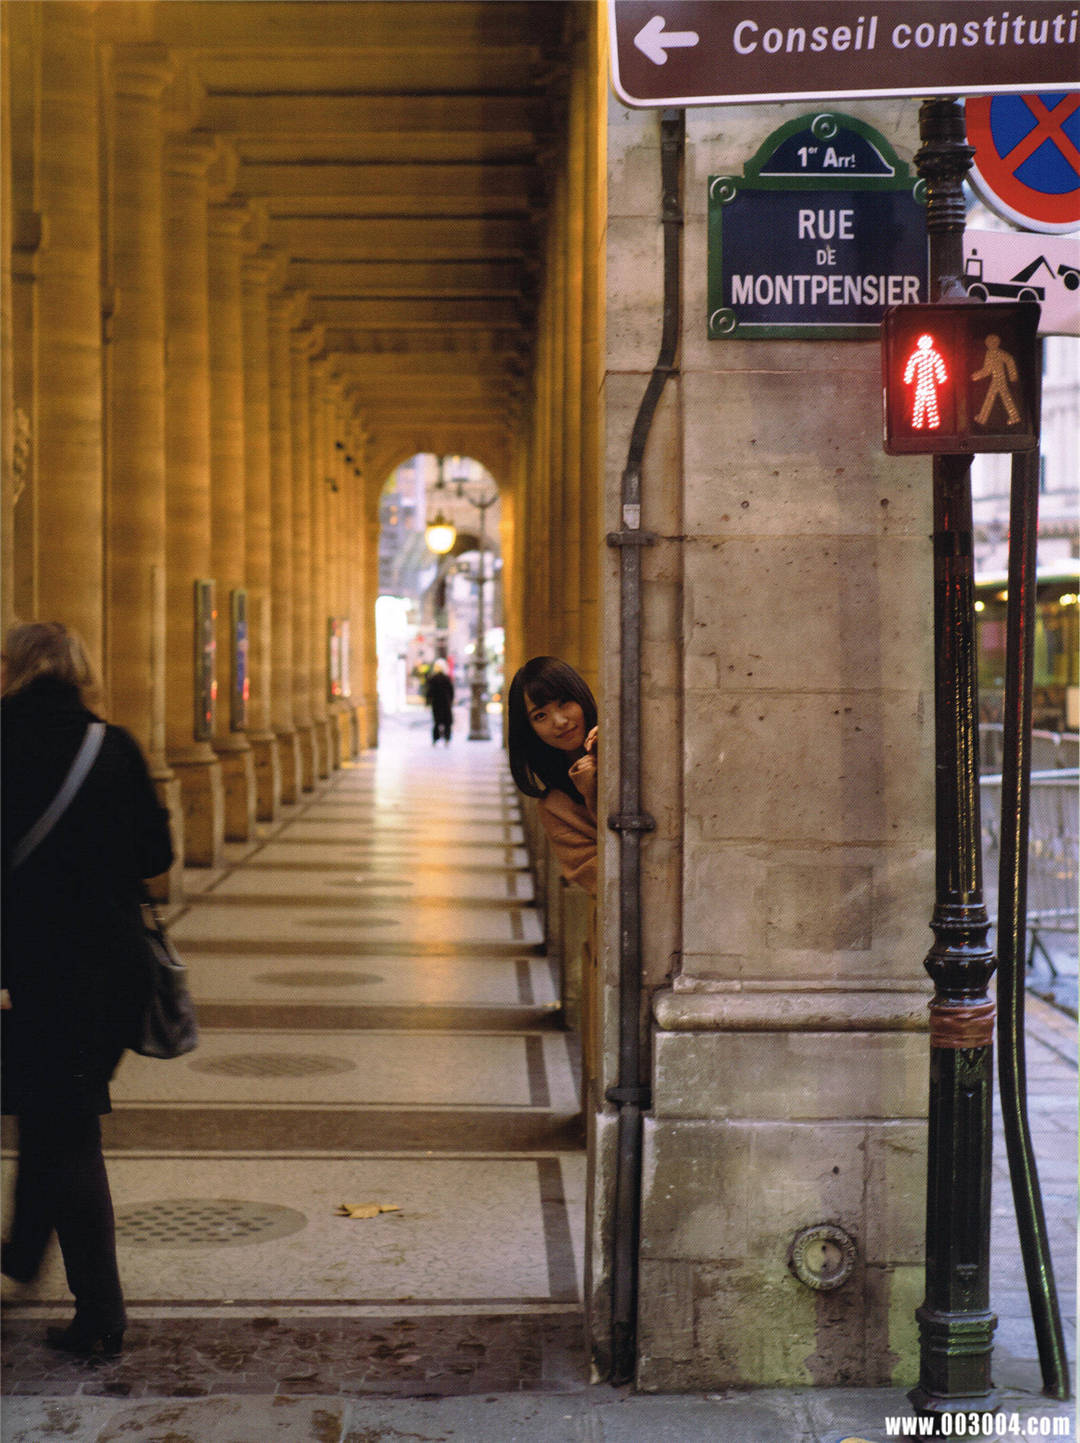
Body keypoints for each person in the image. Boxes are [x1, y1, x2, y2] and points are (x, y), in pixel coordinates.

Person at [1, 621, 174, 1358]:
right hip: (109, 974)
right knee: (59, 1117)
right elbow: (157, 855)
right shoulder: (114, 746)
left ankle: (98, 1310)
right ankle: (27, 1252)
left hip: (27, 971)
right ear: (80, 671)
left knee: (62, 1126)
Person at [507, 656, 598, 896]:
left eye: (564, 702)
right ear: (529, 730)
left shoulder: (622, 746)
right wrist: (588, 777)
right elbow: (600, 879)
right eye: (540, 716)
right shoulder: (555, 808)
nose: (559, 721)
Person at [425, 657, 455, 745]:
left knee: (437, 721)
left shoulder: (433, 678)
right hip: (446, 702)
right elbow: (451, 691)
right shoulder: (446, 678)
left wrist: (428, 702)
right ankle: (447, 738)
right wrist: (451, 700)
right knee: (447, 722)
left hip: (436, 703)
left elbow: (429, 691)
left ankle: (435, 738)